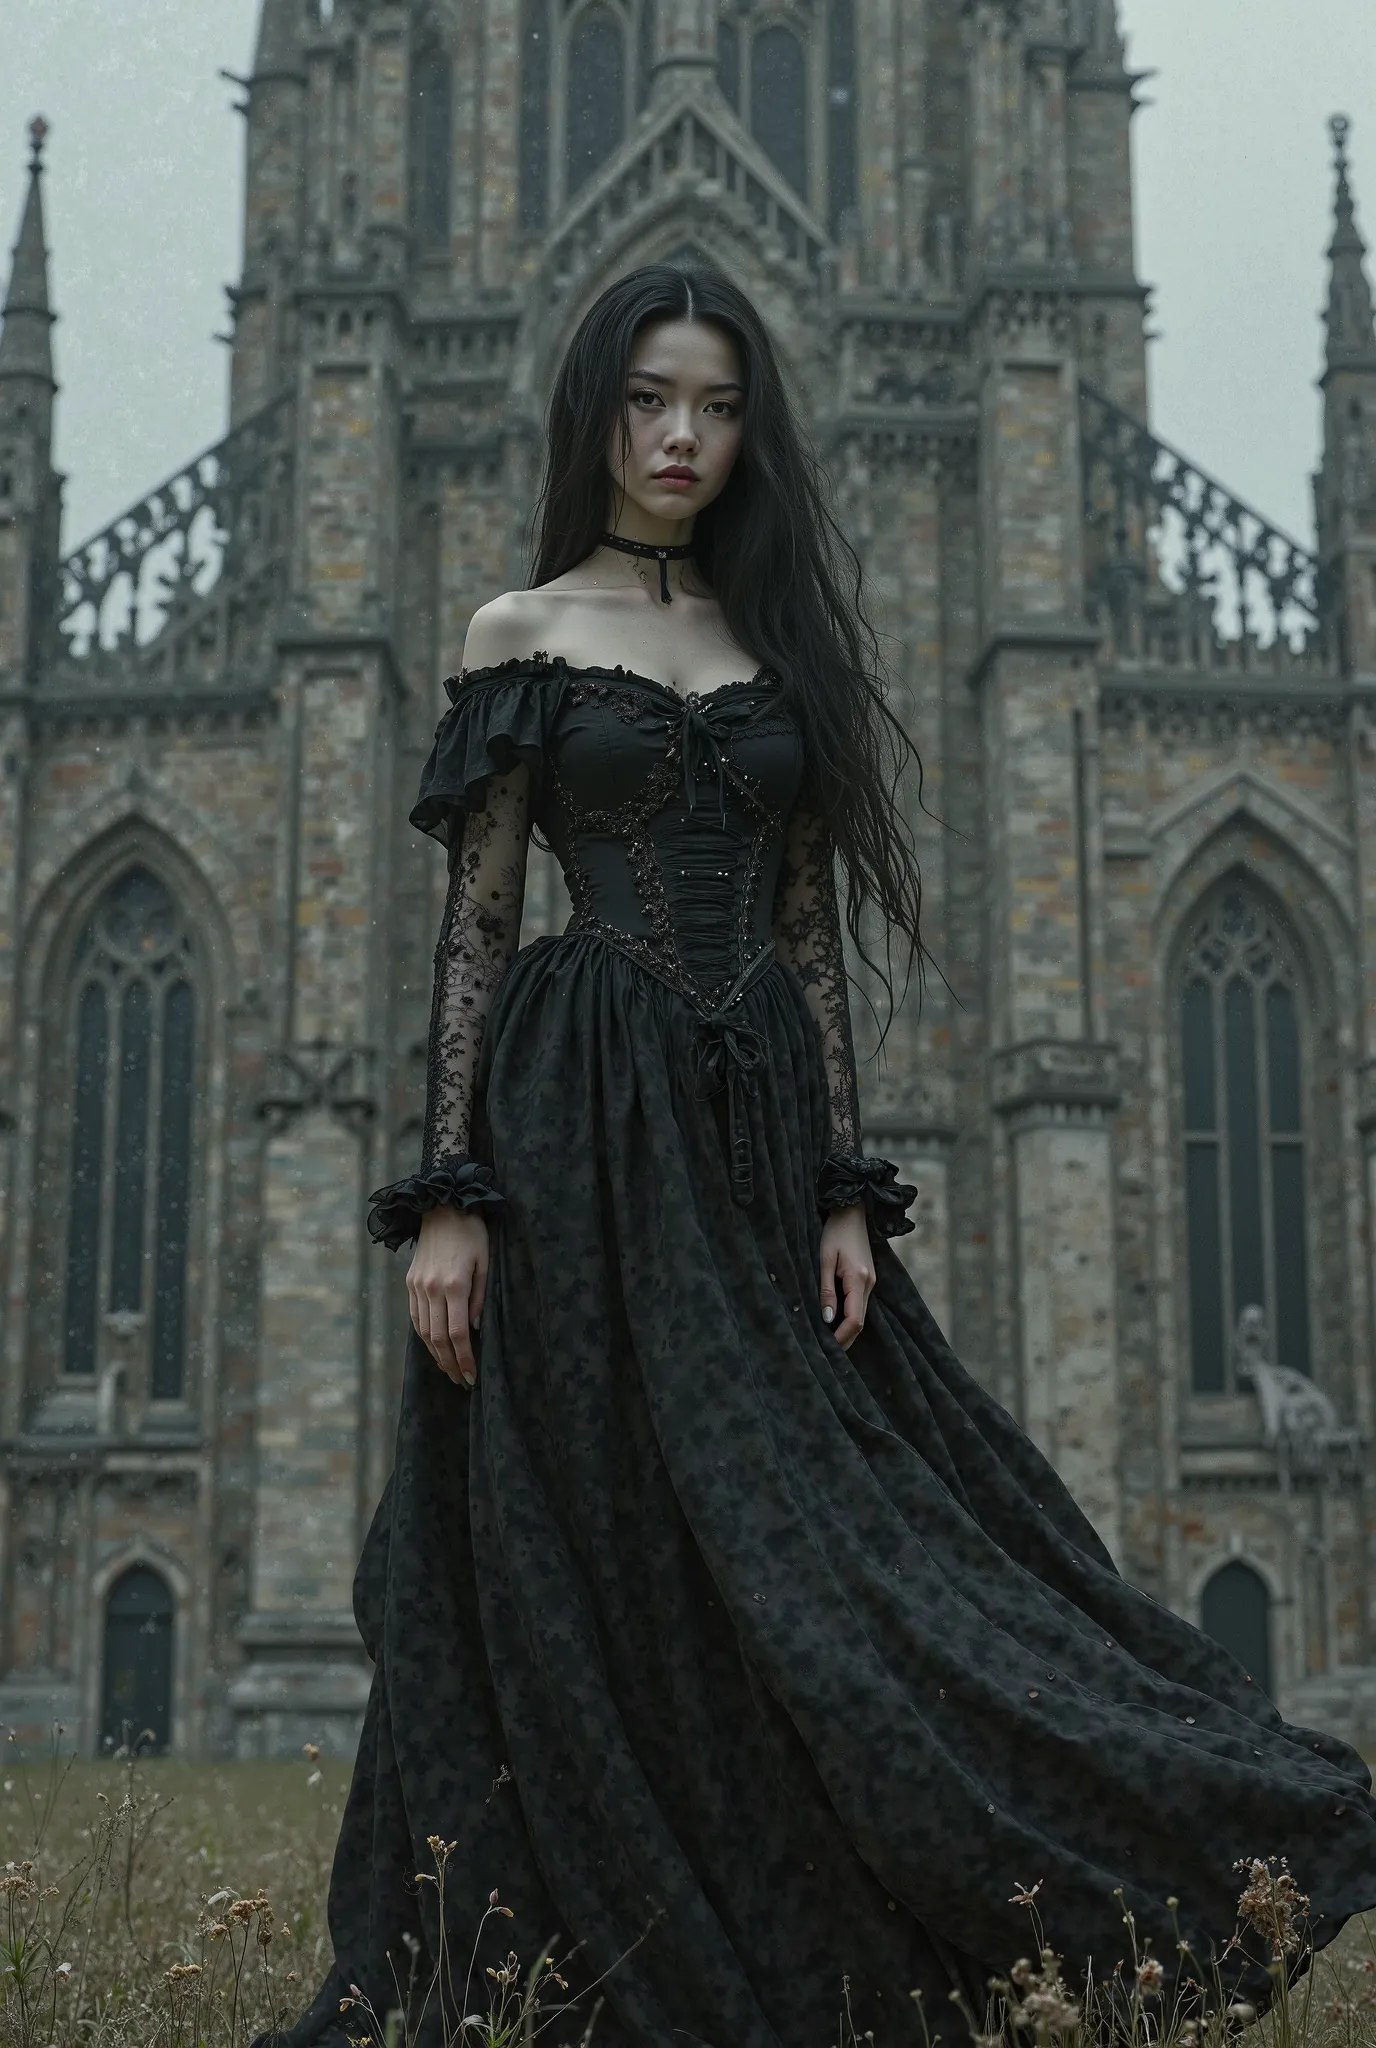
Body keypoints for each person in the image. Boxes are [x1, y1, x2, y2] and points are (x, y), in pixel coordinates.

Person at [260, 264, 1376, 2048]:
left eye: (713, 402)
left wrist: (848, 1184)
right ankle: (595, 1943)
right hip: (579, 1117)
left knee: (846, 1539)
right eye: (646, 399)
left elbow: (801, 933)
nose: (682, 435)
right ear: (594, 414)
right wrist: (446, 1205)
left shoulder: (774, 643)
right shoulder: (514, 632)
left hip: (758, 1131)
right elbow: (475, 931)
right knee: (593, 1527)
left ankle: (967, 1885)